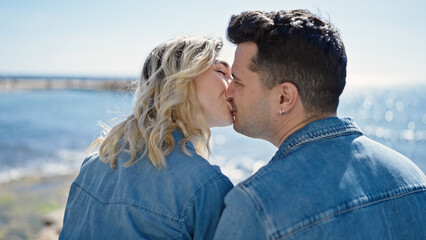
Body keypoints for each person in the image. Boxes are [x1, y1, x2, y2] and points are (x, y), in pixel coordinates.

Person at [214, 10, 426, 239]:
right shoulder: (415, 180)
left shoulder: (255, 208)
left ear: (284, 97)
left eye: (238, 80)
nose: (229, 91)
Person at [59, 35, 234, 239]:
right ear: (181, 80)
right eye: (222, 72)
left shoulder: (93, 165)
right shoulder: (206, 187)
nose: (233, 85)